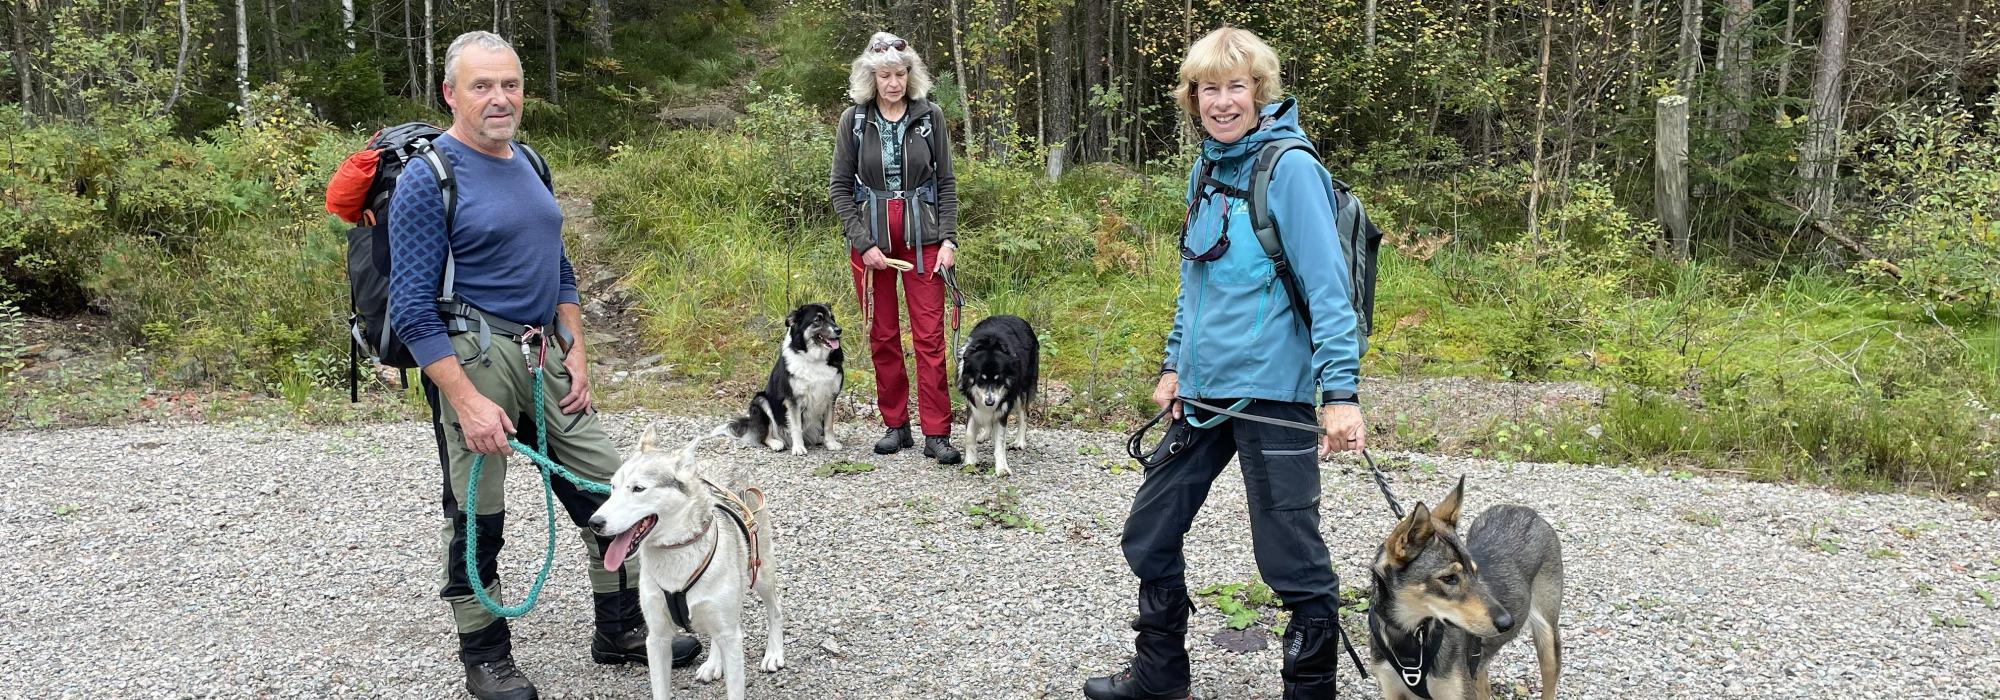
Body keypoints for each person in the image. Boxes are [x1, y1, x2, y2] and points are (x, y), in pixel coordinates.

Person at [387, 30, 700, 700]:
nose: (500, 98)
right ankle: (486, 655)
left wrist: (577, 348)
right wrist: (468, 402)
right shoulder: (427, 178)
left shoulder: (529, 160)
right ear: (450, 93)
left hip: (545, 357)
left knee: (606, 489)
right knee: (479, 514)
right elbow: (411, 311)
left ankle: (619, 630)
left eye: (510, 84)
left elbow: (558, 264)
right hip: (475, 357)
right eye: (482, 86)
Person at [1082, 27, 1368, 700]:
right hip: (1206, 392)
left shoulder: (1291, 169)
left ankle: (1308, 691)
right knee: (1150, 531)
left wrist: (1341, 394)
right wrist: (1175, 364)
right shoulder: (1206, 168)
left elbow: (1329, 292)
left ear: (1260, 92)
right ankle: (1159, 676)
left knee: (1292, 562)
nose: (1222, 101)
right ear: (1192, 98)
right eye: (1208, 88)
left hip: (1274, 395)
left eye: (1235, 86)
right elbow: (1194, 280)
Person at [830, 31, 964, 465]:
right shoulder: (854, 120)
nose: (893, 83)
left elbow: (945, 183)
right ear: (872, 78)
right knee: (882, 335)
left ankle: (937, 432)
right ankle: (895, 425)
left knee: (929, 337)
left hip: (923, 242)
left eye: (900, 74)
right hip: (871, 245)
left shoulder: (931, 117)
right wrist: (863, 243)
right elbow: (839, 189)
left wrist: (948, 239)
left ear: (911, 75)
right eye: (885, 75)